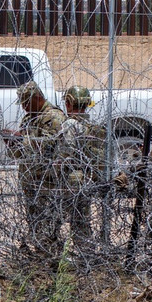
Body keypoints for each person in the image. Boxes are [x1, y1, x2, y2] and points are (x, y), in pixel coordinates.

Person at [1, 81, 67, 256]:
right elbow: (20, 153)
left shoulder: (53, 117)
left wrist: (19, 139)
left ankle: (50, 258)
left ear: (38, 98)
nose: (23, 107)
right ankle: (41, 255)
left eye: (26, 103)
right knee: (35, 222)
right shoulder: (29, 118)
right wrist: (12, 143)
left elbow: (48, 147)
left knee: (49, 222)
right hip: (30, 180)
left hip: (47, 182)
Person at [58, 85, 102, 248]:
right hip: (87, 177)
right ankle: (86, 252)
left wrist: (55, 164)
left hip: (73, 178)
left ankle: (84, 254)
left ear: (69, 103)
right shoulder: (90, 125)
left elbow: (67, 151)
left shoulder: (70, 124)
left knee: (72, 219)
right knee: (82, 219)